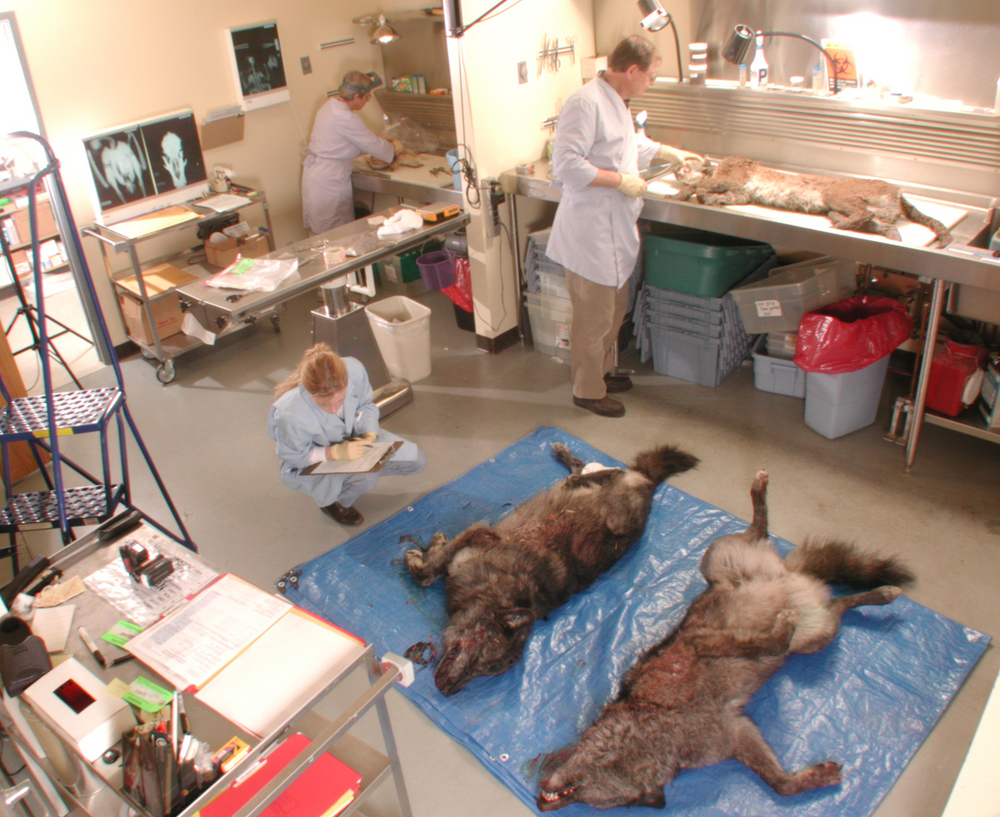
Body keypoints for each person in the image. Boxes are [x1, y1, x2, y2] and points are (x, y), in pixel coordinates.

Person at [547, 36, 702, 418]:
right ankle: (586, 390)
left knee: (613, 312)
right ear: (631, 70)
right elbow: (565, 164)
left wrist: (667, 151)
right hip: (590, 231)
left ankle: (601, 371)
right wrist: (619, 181)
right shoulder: (585, 101)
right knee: (592, 318)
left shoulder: (616, 101)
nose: (651, 82)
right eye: (650, 76)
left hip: (613, 230)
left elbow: (626, 145)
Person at [268, 343, 426, 526]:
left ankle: (347, 480)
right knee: (366, 477)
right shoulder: (290, 412)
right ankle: (333, 502)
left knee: (417, 461)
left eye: (339, 401)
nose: (333, 409)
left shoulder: (354, 370)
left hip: (353, 436)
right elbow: (294, 457)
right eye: (324, 405)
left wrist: (369, 434)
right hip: (311, 459)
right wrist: (334, 453)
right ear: (311, 392)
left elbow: (366, 405)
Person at [301, 70, 396, 233]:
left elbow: (345, 142)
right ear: (356, 97)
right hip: (330, 181)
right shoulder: (347, 118)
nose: (366, 101)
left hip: (317, 174)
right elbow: (374, 145)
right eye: (366, 97)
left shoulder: (329, 106)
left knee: (326, 235)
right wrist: (394, 151)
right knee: (337, 236)